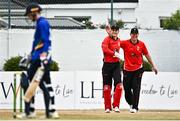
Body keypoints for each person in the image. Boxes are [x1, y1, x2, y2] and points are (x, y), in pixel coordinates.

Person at [17, 3, 59, 118]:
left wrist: (43, 57)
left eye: (29, 15)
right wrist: (30, 55)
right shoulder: (40, 23)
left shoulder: (42, 23)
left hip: (40, 58)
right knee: (43, 83)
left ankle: (34, 111)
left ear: (34, 13)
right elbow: (37, 43)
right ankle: (48, 110)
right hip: (37, 57)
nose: (28, 17)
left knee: (33, 81)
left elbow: (46, 41)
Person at [120, 27, 158, 113]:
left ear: (138, 35)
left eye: (136, 34)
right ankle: (131, 104)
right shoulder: (125, 43)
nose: (134, 35)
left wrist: (153, 66)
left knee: (136, 87)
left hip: (138, 69)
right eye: (133, 34)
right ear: (130, 35)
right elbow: (116, 43)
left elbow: (147, 55)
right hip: (127, 69)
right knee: (127, 89)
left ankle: (135, 107)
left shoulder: (141, 44)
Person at [101, 24, 123, 113]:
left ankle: (116, 106)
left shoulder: (119, 40)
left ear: (118, 32)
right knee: (107, 87)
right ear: (111, 31)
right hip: (107, 65)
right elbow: (105, 49)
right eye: (113, 30)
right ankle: (107, 107)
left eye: (116, 30)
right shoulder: (106, 39)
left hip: (116, 65)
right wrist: (115, 54)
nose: (115, 32)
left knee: (119, 86)